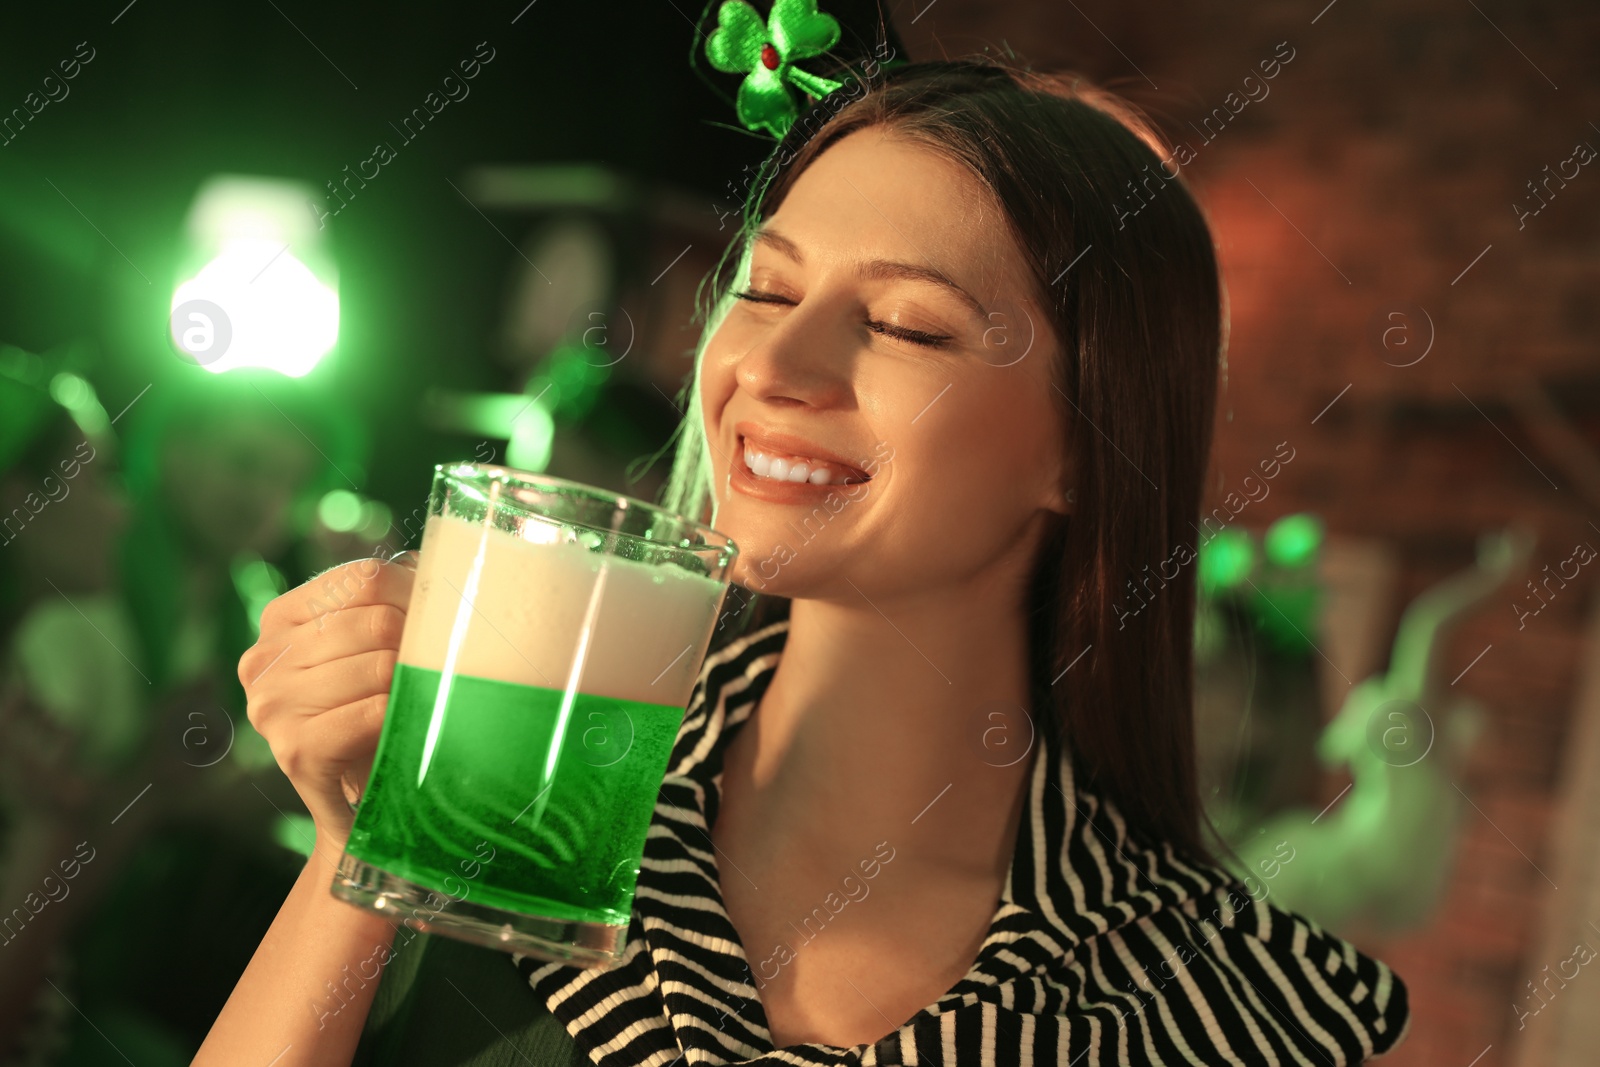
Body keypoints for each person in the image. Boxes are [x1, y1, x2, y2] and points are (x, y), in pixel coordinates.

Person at [198, 59, 1411, 1064]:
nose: (777, 365)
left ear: (1087, 447)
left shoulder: (1208, 1004)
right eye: (766, 289)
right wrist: (368, 842)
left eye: (905, 323)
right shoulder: (531, 782)